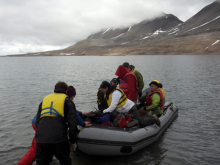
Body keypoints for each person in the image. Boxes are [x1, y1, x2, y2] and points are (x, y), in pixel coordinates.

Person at [35, 81, 78, 165]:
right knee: (65, 161)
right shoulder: (67, 101)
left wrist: (41, 134)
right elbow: (72, 124)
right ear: (66, 91)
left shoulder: (44, 100)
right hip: (59, 138)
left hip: (41, 138)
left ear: (55, 90)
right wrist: (73, 142)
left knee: (42, 162)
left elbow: (37, 122)